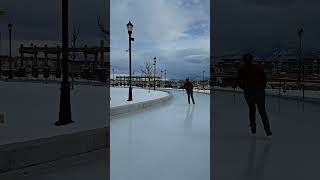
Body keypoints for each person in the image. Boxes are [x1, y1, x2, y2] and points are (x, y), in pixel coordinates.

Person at [237, 53, 272, 136]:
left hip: (249, 93)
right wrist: (262, 87)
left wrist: (245, 88)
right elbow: (264, 78)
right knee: (262, 111)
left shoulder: (242, 69)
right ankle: (267, 129)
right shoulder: (258, 67)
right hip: (259, 92)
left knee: (252, 110)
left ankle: (253, 128)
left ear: (244, 60)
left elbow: (238, 82)